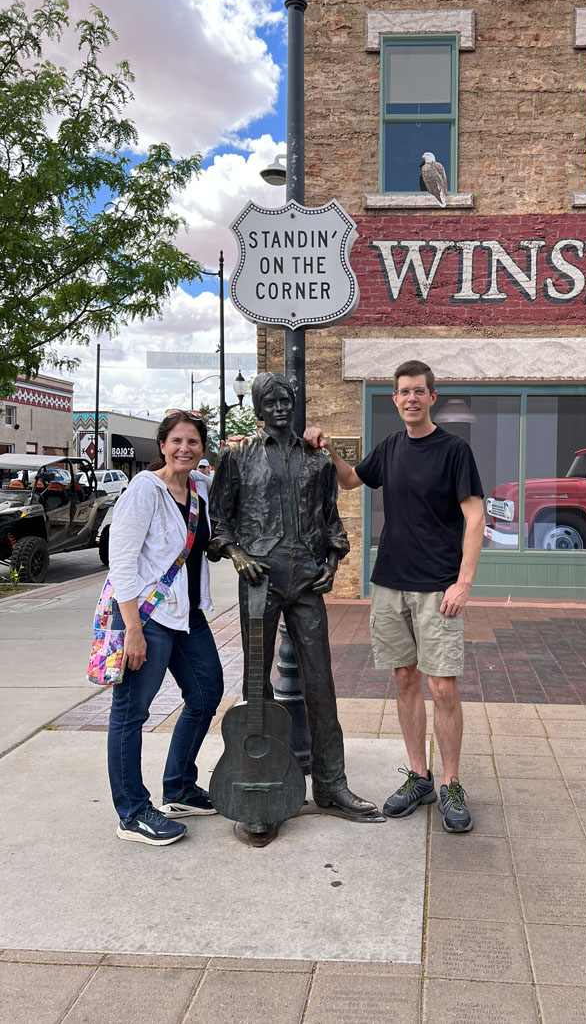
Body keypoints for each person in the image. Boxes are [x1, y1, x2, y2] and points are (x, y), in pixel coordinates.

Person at [304, 360, 484, 833]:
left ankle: (451, 783)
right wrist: (327, 451)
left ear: (432, 397)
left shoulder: (454, 450)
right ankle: (419, 777)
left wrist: (463, 582)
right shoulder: (390, 447)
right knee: (405, 679)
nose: (410, 398)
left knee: (442, 685)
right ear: (395, 399)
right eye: (403, 392)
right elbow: (350, 481)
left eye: (418, 391)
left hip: (438, 587)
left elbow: (475, 517)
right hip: (390, 583)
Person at [208, 371, 380, 820]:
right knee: (255, 685)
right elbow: (218, 521)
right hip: (260, 579)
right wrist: (236, 554)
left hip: (305, 580)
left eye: (287, 400)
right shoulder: (237, 456)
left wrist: (334, 560)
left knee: (320, 683)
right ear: (259, 409)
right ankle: (257, 790)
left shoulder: (316, 461)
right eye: (272, 402)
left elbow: (330, 519)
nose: (281, 408)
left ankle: (331, 784)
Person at [106, 410, 224, 845]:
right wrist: (132, 628)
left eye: (192, 442)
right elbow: (121, 563)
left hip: (187, 616)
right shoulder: (144, 490)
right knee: (131, 713)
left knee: (206, 693)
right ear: (162, 445)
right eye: (176, 441)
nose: (184, 449)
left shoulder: (199, 488)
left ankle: (178, 787)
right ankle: (132, 813)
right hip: (147, 617)